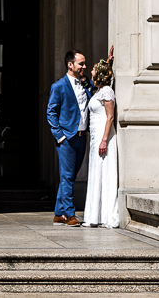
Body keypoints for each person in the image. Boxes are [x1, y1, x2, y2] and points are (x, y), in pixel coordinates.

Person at [46, 49, 93, 226]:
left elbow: (100, 83)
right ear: (70, 64)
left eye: (85, 63)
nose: (84, 67)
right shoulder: (58, 86)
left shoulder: (86, 83)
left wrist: (108, 64)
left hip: (82, 137)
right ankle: (70, 214)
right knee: (66, 177)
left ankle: (59, 213)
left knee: (70, 177)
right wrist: (60, 137)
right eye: (81, 63)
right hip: (67, 139)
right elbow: (51, 112)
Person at [84, 45, 119, 228]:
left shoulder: (106, 92)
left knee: (103, 172)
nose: (90, 70)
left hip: (103, 137)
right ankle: (94, 215)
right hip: (96, 136)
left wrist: (104, 139)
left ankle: (103, 215)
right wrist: (108, 60)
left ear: (99, 74)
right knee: (96, 171)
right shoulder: (100, 90)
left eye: (93, 69)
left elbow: (110, 117)